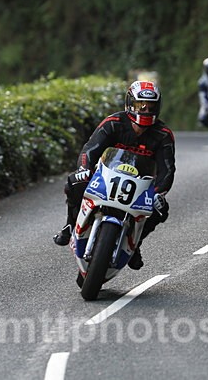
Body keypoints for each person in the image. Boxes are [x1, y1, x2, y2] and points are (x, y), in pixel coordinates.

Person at [52, 80, 175, 271]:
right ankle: (70, 225)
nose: (144, 110)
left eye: (150, 106)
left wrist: (160, 193)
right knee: (74, 182)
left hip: (140, 186)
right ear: (129, 104)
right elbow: (90, 149)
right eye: (140, 105)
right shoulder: (113, 123)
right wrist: (84, 168)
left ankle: (136, 244)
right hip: (106, 175)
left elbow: (167, 169)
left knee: (161, 210)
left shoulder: (163, 135)